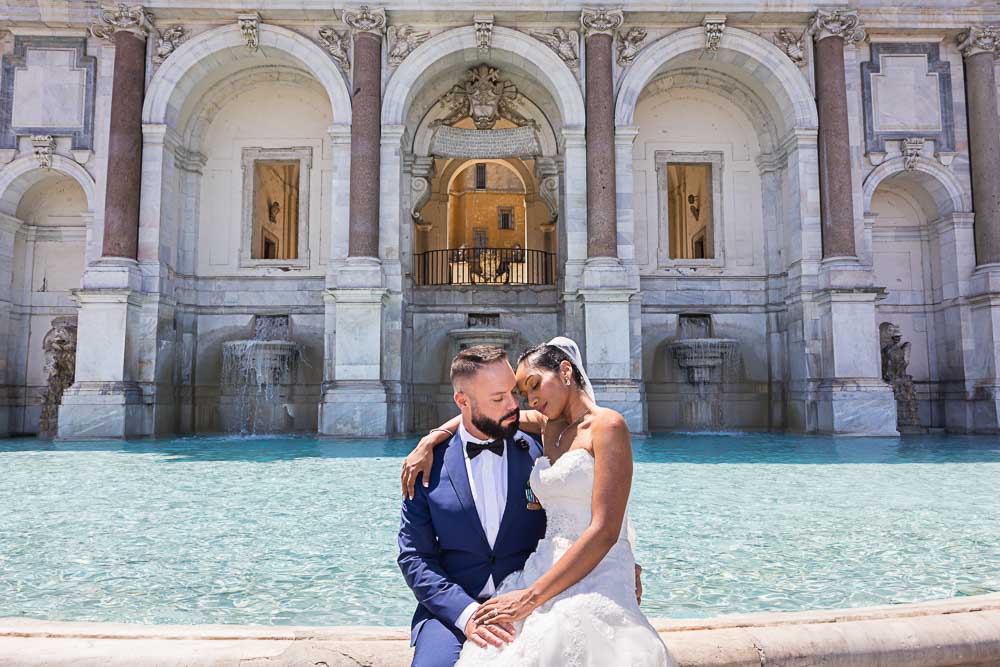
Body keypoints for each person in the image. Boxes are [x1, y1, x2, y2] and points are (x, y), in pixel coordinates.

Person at [398, 338, 674, 667]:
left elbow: (605, 529)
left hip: (584, 572)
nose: (529, 401)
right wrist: (432, 437)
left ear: (566, 371)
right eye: (522, 394)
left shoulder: (602, 427)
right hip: (510, 582)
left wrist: (532, 597)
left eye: (531, 387)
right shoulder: (547, 428)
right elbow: (481, 415)